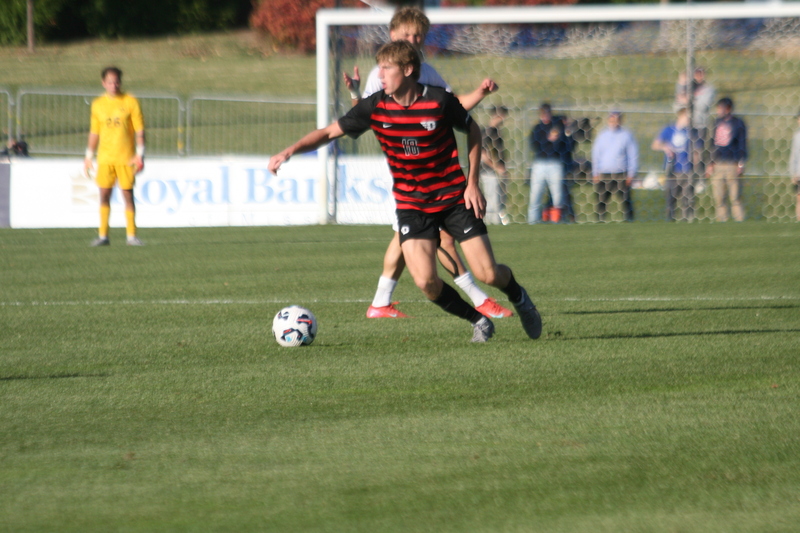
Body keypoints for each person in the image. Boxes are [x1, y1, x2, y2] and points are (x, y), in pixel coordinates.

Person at [270, 41, 542, 343]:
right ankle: (478, 320)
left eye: (387, 68)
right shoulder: (375, 106)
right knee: (426, 282)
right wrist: (290, 150)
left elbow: (473, 130)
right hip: (412, 205)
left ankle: (519, 297)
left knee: (488, 274)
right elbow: (328, 132)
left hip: (453, 198)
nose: (381, 74)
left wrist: (472, 182)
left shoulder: (439, 101)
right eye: (379, 68)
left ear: (409, 69)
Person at [344, 6, 511, 320]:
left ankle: (380, 302)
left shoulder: (427, 72)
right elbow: (363, 115)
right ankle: (479, 300)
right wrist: (355, 92)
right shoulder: (381, 74)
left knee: (408, 238)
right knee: (437, 237)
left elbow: (454, 107)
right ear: (392, 36)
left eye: (419, 35)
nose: (414, 39)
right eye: (407, 34)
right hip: (407, 172)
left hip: (428, 172)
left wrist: (480, 92)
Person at [84, 66, 145, 246]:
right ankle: (103, 236)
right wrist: (88, 156)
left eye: (117, 81)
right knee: (104, 195)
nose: (114, 85)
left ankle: (131, 236)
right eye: (110, 82)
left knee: (127, 195)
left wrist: (140, 154)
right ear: (104, 83)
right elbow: (94, 132)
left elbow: (140, 130)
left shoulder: (130, 102)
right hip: (105, 158)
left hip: (126, 158)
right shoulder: (98, 104)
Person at [651, 108, 700, 222]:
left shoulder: (692, 132)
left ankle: (687, 222)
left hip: (687, 170)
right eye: (687, 117)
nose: (689, 120)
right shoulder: (669, 130)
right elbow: (655, 145)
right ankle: (670, 221)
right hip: (672, 170)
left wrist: (696, 168)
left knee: (687, 200)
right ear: (680, 116)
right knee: (670, 199)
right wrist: (665, 147)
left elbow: (697, 151)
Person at [591, 110, 638, 222]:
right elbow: (596, 154)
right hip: (605, 174)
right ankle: (599, 222)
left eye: (617, 120)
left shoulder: (626, 135)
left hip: (621, 174)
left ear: (621, 121)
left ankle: (630, 222)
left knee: (626, 200)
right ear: (608, 120)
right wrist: (595, 172)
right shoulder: (602, 135)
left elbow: (633, 155)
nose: (614, 122)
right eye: (612, 119)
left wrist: (631, 173)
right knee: (601, 200)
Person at [707, 97, 747, 222]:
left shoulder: (738, 123)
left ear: (728, 108)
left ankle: (739, 219)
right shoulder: (715, 123)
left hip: (732, 163)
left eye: (721, 108)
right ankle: (722, 220)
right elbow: (711, 144)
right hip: (718, 163)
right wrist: (710, 163)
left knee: (735, 196)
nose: (719, 110)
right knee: (719, 196)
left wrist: (741, 162)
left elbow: (742, 144)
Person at [528, 103, 567, 224]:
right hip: (539, 163)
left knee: (557, 195)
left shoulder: (557, 127)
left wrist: (555, 140)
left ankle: (557, 220)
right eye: (543, 113)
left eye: (547, 112)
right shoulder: (537, 128)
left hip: (555, 163)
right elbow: (535, 145)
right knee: (535, 195)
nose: (545, 115)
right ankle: (532, 221)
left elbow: (562, 144)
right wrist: (548, 140)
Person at [480, 105, 511, 225]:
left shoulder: (497, 132)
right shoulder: (487, 132)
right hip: (489, 171)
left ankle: (496, 223)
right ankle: (491, 225)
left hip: (497, 171)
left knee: (499, 200)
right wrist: (497, 167)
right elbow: (483, 154)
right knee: (492, 201)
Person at [789, 110, 800, 222]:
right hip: (799, 173)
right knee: (799, 198)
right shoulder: (797, 136)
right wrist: (793, 173)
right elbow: (794, 155)